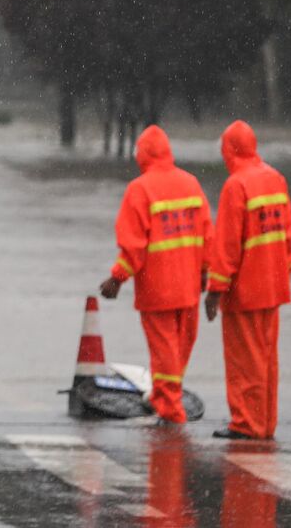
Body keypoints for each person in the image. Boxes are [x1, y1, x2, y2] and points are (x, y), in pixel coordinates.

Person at [98, 125, 211, 425]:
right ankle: (165, 396)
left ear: (143, 154)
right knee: (179, 350)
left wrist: (117, 278)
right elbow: (206, 235)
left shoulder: (140, 189)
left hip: (158, 289)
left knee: (164, 354)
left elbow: (134, 245)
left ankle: (171, 410)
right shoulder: (191, 184)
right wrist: (205, 272)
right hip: (188, 287)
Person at [204, 120, 291, 440]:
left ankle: (246, 424)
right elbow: (286, 237)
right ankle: (265, 423)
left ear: (229, 149)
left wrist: (215, 290)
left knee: (245, 361)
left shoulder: (236, 186)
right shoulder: (275, 179)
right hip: (273, 285)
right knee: (267, 360)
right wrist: (283, 272)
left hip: (246, 289)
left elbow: (227, 246)